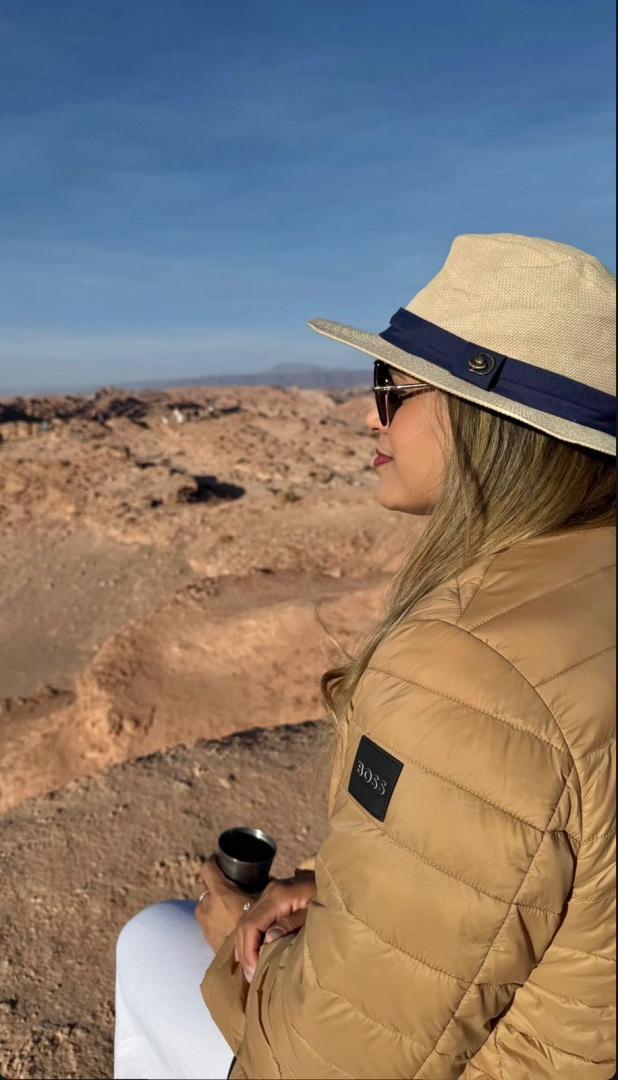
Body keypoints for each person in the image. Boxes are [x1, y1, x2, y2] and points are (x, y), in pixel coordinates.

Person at [114, 233, 616, 1080]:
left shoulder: (469, 668)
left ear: (488, 420)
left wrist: (236, 949)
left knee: (150, 940)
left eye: (392, 384)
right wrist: (337, 888)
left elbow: (325, 1060)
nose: (368, 415)